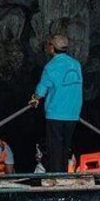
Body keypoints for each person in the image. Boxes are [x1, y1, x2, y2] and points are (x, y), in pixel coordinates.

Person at [29, 34, 83, 172]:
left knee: (55, 148)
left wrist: (35, 98)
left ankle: (57, 176)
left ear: (52, 48)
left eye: (48, 44)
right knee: (66, 146)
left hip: (56, 113)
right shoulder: (76, 64)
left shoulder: (51, 67)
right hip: (73, 112)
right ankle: (64, 172)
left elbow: (42, 89)